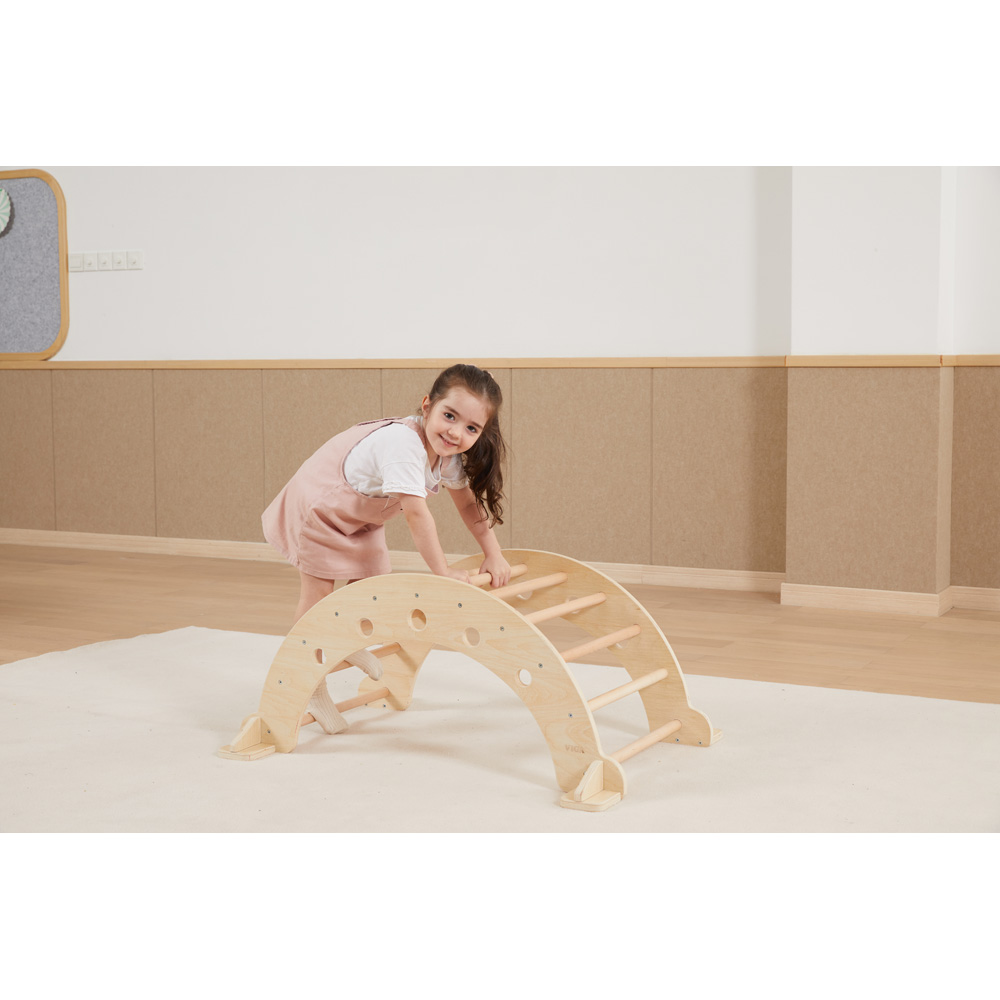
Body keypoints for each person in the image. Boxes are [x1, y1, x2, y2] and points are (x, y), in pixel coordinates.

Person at [262, 363, 512, 626]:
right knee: (319, 593)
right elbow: (416, 515)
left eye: (472, 428)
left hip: (360, 520)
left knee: (370, 587)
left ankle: (343, 639)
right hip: (318, 510)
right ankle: (304, 648)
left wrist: (493, 554)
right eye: (449, 416)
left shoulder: (447, 456)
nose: (455, 432)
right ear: (427, 406)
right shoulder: (404, 445)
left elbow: (468, 506)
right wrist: (443, 571)